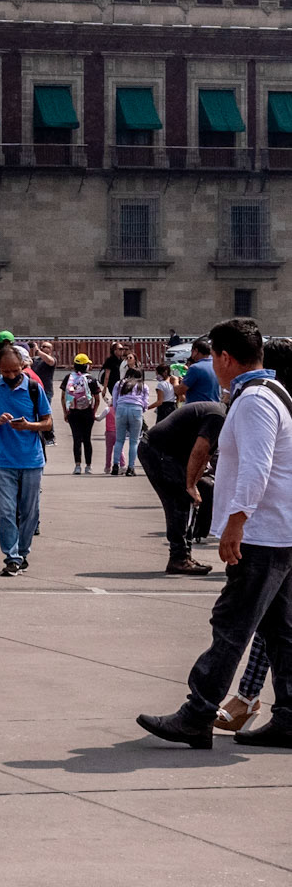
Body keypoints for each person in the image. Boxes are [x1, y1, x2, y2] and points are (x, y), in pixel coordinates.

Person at [138, 319, 292, 750]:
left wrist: (236, 521)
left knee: (232, 624)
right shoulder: (272, 394)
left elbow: (257, 467)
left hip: (261, 534)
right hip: (278, 531)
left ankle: (198, 711)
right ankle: (290, 716)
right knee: (281, 629)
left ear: (225, 357)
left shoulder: (256, 401)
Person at [0, 342, 52, 575]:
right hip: (2, 459)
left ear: (23, 366)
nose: (11, 375)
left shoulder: (34, 388)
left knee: (30, 511)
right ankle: (12, 556)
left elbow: (48, 422)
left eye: (15, 371)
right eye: (6, 371)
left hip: (31, 459)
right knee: (6, 511)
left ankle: (23, 551)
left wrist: (29, 425)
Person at [138, 388, 224, 576]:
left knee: (187, 498)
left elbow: (206, 457)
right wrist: (190, 485)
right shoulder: (219, 417)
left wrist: (195, 483)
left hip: (167, 453)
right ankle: (179, 559)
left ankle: (183, 555)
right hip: (157, 451)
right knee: (179, 501)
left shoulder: (219, 416)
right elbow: (199, 452)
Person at [60, 354, 101, 475]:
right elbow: (97, 399)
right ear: (85, 365)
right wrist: (93, 411)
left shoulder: (68, 377)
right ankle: (88, 466)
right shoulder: (91, 379)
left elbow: (63, 397)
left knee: (76, 438)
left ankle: (77, 466)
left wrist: (65, 412)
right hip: (87, 412)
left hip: (73, 412)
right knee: (87, 439)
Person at [112, 368, 151, 477]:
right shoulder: (143, 386)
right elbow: (145, 403)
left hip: (121, 408)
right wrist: (141, 410)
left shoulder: (119, 383)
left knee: (119, 440)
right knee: (134, 441)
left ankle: (115, 466)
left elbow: (114, 399)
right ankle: (130, 468)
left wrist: (117, 410)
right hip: (136, 410)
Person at [184, 339, 220, 405]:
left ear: (196, 351)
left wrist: (175, 381)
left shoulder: (195, 368)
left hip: (198, 409)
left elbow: (181, 390)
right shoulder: (216, 365)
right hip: (215, 406)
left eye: (192, 352)